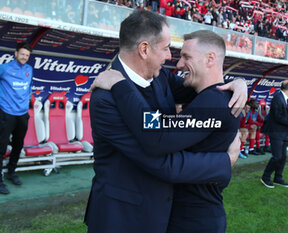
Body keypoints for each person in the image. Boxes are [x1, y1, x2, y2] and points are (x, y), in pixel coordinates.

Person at [85, 10, 247, 233]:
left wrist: (237, 84)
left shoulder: (159, 76)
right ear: (144, 50)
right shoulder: (106, 98)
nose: (171, 58)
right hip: (123, 219)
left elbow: (204, 84)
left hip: (164, 215)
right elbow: (160, 159)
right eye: (165, 48)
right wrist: (224, 161)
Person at [0, 42, 33, 195]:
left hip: (22, 114)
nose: (24, 57)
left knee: (18, 145)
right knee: (1, 147)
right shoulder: (5, 68)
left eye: (27, 55)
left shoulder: (29, 69)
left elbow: (28, 88)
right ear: (16, 53)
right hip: (6, 113)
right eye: (22, 54)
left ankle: (11, 172)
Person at [261, 80, 288, 189]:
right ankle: (265, 177)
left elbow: (284, 115)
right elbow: (277, 116)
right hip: (276, 132)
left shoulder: (284, 98)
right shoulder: (277, 98)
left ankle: (278, 178)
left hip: (283, 132)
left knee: (283, 157)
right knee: (277, 157)